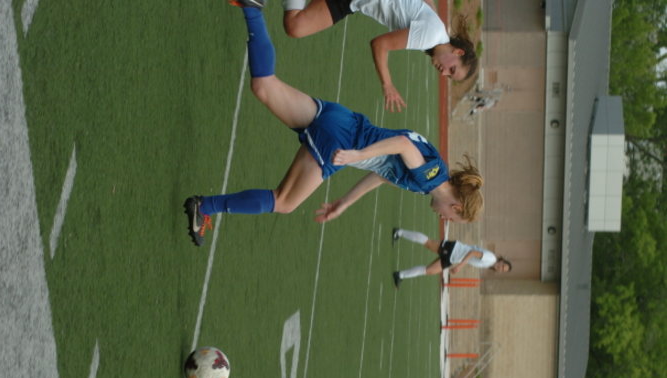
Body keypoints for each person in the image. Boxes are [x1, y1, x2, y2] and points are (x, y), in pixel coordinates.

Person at [182, 3, 483, 246]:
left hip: (342, 119)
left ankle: (251, 8)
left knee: (264, 86)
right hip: (343, 140)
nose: (445, 220)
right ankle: (204, 207)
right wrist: (357, 155)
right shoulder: (431, 178)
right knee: (284, 202)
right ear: (456, 207)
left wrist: (345, 202)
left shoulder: (430, 177)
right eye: (452, 219)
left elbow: (382, 175)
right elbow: (402, 145)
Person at [277, 0, 478, 112]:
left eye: (449, 76)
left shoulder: (437, 32)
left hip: (354, 3)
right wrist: (387, 85)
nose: (444, 73)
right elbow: (380, 44)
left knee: (296, 26)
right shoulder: (430, 37)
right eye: (452, 69)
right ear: (458, 52)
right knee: (296, 26)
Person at [391, 228, 511, 288]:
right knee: (428, 243)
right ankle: (399, 232)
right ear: (501, 261)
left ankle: (400, 275)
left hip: (453, 257)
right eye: (502, 266)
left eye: (502, 270)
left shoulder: (490, 263)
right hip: (454, 250)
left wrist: (459, 263)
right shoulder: (491, 259)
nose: (500, 268)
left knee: (430, 270)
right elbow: (473, 252)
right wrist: (460, 266)